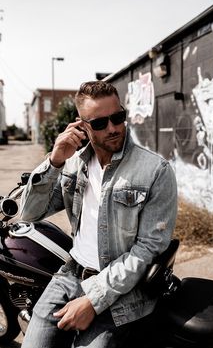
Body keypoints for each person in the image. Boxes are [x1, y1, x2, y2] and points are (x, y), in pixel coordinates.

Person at [19, 80, 177, 348]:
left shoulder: (155, 171)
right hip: (70, 274)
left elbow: (149, 249)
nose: (114, 128)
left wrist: (94, 298)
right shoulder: (73, 165)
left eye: (118, 117)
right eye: (100, 123)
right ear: (82, 125)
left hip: (121, 291)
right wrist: (54, 161)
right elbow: (31, 213)